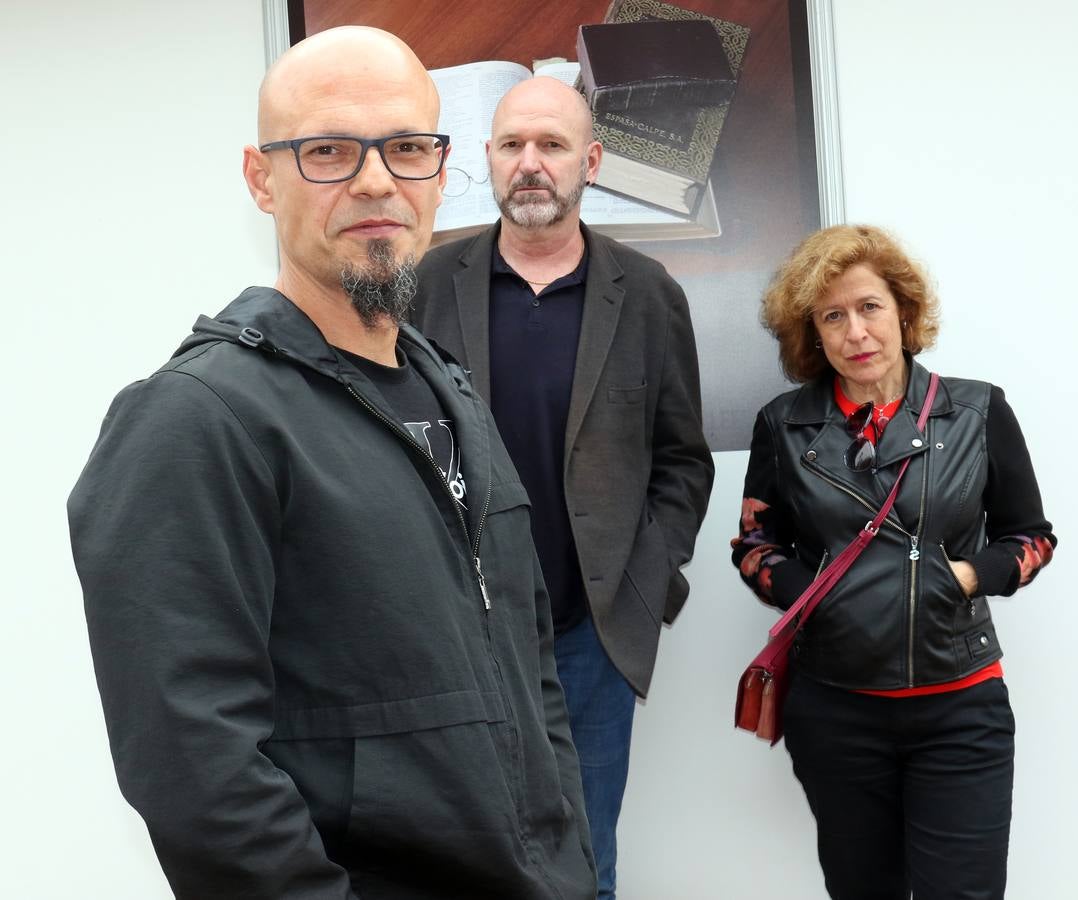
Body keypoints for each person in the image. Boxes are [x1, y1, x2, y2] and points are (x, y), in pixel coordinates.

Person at [67, 27, 596, 900]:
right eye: (328, 151)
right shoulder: (197, 418)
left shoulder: (453, 393)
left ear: (439, 167)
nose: (377, 181)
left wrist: (567, 851)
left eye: (407, 148)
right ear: (260, 178)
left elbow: (531, 668)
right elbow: (195, 766)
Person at [411, 76, 714, 898]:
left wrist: (648, 582)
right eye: (512, 146)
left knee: (585, 862)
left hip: (590, 638)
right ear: (486, 161)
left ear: (591, 159)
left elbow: (683, 459)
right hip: (456, 630)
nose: (530, 164)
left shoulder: (648, 294)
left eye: (550, 145)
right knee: (462, 863)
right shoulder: (428, 286)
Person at [731, 224, 1056, 899]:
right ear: (813, 334)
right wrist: (809, 591)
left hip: (961, 708)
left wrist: (966, 576)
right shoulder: (782, 425)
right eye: (833, 315)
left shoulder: (978, 410)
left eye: (870, 307)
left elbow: (1031, 537)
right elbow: (755, 545)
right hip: (837, 714)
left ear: (903, 314)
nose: (857, 331)